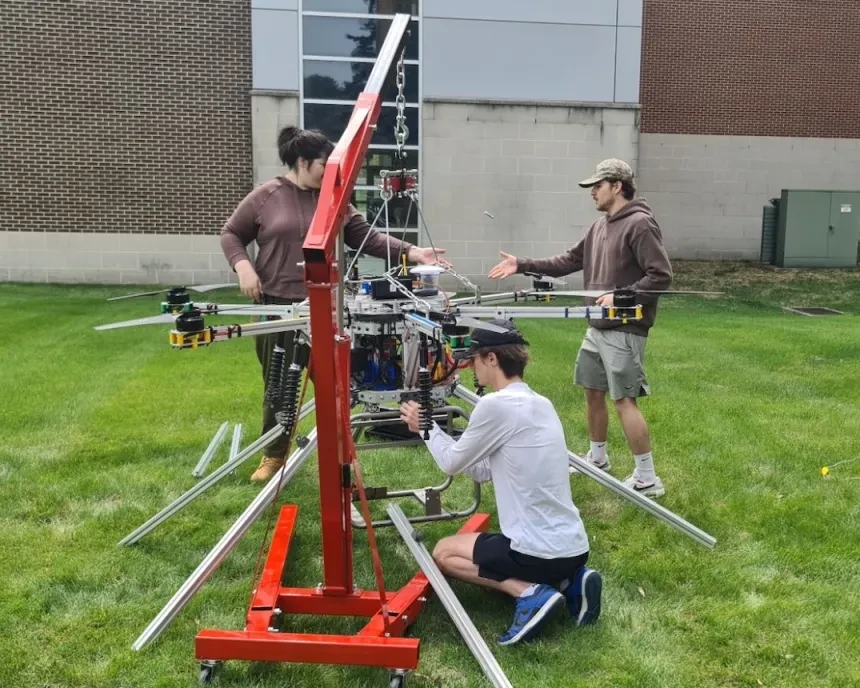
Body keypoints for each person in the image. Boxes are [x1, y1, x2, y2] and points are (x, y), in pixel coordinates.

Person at [222, 125, 449, 482]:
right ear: (302, 162)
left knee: (338, 388)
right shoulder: (266, 196)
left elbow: (368, 238)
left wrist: (412, 251)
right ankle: (274, 454)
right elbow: (232, 234)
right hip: (278, 305)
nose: (330, 173)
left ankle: (342, 454)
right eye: (323, 165)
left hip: (327, 306)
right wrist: (243, 267)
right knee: (279, 385)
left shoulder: (334, 200)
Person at [400, 319, 602, 646]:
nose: (472, 367)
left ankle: (528, 592)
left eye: (475, 359)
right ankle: (571, 581)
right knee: (496, 549)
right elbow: (482, 471)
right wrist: (454, 441)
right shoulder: (542, 403)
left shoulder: (495, 405)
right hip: (576, 548)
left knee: (443, 553)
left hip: (535, 554)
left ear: (492, 358)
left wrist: (425, 427)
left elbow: (450, 463)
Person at [488, 158, 672, 498]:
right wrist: (522, 264)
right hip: (596, 327)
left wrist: (620, 297)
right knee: (592, 391)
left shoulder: (640, 224)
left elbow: (660, 275)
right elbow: (568, 261)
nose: (592, 192)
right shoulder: (599, 227)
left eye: (597, 186)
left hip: (625, 328)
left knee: (624, 400)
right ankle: (598, 459)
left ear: (617, 186)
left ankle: (648, 478)